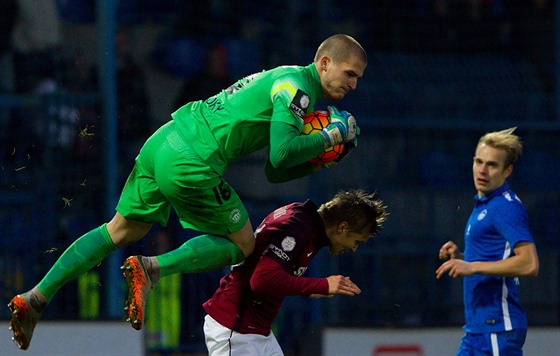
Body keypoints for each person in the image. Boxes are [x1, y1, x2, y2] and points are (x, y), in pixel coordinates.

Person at [8, 33, 367, 350]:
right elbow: (281, 153)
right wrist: (329, 137)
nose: (352, 84)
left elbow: (275, 170)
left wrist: (315, 162)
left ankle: (37, 296)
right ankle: (152, 269)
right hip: (194, 158)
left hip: (165, 141)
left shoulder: (286, 78)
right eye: (349, 74)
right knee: (245, 244)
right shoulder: (297, 89)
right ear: (324, 63)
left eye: (358, 78)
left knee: (121, 229)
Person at [203, 188, 387, 355]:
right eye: (357, 242)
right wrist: (322, 284)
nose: (354, 249)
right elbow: (261, 279)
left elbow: (270, 271)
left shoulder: (306, 223)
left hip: (258, 333)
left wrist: (309, 288)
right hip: (235, 331)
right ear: (342, 227)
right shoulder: (299, 227)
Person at [435, 127, 539, 355]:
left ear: (507, 171)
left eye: (492, 165)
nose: (482, 170)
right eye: (479, 161)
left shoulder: (506, 207)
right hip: (478, 330)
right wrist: (462, 258)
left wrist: (471, 266)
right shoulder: (486, 204)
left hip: (497, 328)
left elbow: (529, 264)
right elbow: (495, 257)